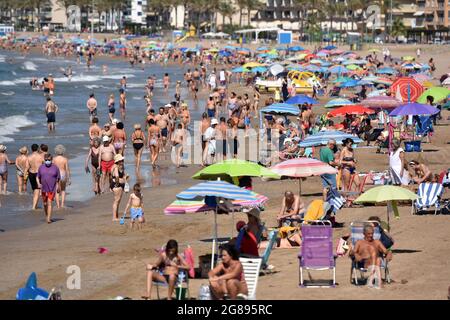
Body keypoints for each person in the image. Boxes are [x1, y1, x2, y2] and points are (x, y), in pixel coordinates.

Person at [349, 224, 392, 288]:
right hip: (363, 263)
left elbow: (385, 251)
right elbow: (351, 253)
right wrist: (355, 254)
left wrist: (389, 253)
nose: (371, 235)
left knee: (377, 259)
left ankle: (375, 282)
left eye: (372, 233)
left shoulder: (377, 242)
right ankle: (377, 282)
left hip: (376, 263)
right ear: (364, 234)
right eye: (369, 234)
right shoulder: (359, 242)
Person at [37, 154, 60, 224]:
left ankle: (48, 219)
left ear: (51, 160)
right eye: (46, 160)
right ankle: (47, 215)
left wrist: (58, 186)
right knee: (44, 203)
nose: (47, 161)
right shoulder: (41, 167)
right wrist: (38, 183)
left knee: (49, 202)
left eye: (49, 160)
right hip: (43, 188)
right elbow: (37, 177)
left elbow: (58, 178)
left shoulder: (55, 168)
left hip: (52, 188)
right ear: (44, 160)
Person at [111, 154, 128, 222]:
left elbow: (122, 175)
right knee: (116, 201)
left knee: (118, 201)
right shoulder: (115, 167)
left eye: (122, 160)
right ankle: (114, 217)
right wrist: (117, 183)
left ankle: (116, 215)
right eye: (121, 160)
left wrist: (125, 179)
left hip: (119, 185)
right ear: (117, 161)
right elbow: (117, 176)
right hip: (117, 185)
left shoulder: (120, 166)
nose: (122, 161)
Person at [53, 145, 71, 209]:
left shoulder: (54, 159)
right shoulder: (65, 159)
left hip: (56, 174)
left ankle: (58, 205)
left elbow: (52, 168)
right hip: (63, 174)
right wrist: (69, 178)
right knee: (63, 190)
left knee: (57, 190)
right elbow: (67, 169)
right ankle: (62, 204)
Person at [26, 144, 43, 209]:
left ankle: (35, 205)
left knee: (35, 190)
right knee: (37, 190)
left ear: (31, 149)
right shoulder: (40, 156)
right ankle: (34, 206)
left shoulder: (29, 157)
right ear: (38, 148)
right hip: (38, 174)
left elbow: (27, 167)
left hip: (31, 174)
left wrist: (25, 176)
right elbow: (44, 165)